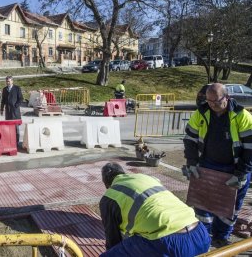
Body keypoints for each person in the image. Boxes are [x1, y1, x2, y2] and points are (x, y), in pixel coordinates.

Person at [183, 83, 252, 247]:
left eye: (215, 101)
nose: (212, 105)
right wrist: (192, 163)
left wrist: (241, 173)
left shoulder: (242, 116)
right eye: (208, 101)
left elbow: (250, 148)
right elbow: (190, 139)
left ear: (226, 97)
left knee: (230, 208)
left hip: (233, 169)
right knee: (202, 205)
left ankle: (220, 237)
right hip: (207, 166)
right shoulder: (202, 112)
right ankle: (203, 236)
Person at [99, 163, 211, 257]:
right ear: (123, 173)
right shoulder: (145, 178)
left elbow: (113, 239)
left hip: (169, 244)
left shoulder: (109, 197)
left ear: (106, 184)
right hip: (200, 234)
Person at [0, 76, 23, 143]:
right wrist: (1, 109)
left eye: (9, 81)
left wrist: (16, 105)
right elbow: (3, 100)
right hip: (8, 111)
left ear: (12, 81)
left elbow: (21, 98)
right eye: (7, 81)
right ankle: (10, 141)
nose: (8, 83)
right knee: (8, 127)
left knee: (16, 127)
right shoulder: (5, 89)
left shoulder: (17, 88)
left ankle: (16, 142)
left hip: (15, 111)